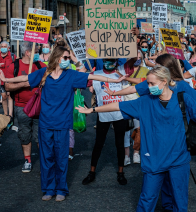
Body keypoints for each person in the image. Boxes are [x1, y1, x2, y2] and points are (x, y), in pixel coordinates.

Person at [76, 66, 196, 211]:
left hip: (178, 159)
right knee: (147, 199)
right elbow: (118, 105)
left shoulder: (182, 98)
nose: (148, 87)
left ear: (165, 82)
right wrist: (93, 110)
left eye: (152, 84)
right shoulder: (145, 102)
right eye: (148, 83)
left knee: (180, 201)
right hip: (153, 159)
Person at [0, 46, 125, 202]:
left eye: (68, 58)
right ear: (58, 58)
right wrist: (6, 80)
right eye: (66, 58)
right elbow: (25, 78)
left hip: (63, 125)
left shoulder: (71, 75)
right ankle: (48, 189)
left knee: (61, 158)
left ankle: (61, 189)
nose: (67, 61)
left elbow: (92, 77)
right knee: (46, 159)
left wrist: (114, 79)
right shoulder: (44, 73)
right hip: (45, 124)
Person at [81, 57, 137, 186]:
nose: (110, 63)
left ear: (117, 61)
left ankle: (121, 172)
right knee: (98, 144)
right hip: (103, 114)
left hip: (119, 114)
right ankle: (92, 172)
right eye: (107, 60)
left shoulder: (121, 71)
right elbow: (82, 81)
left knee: (120, 143)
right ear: (103, 61)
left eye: (112, 60)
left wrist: (134, 41)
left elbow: (133, 59)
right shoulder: (96, 74)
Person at [4, 41, 47, 173]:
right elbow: (7, 86)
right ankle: (27, 160)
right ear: (28, 52)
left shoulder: (40, 65)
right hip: (21, 107)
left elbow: (50, 79)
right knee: (24, 134)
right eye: (35, 52)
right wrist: (23, 84)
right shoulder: (14, 66)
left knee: (40, 135)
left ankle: (44, 162)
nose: (38, 54)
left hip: (39, 106)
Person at [0, 41, 14, 128]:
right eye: (2, 46)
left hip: (10, 80)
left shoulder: (12, 56)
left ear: (8, 47)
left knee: (10, 96)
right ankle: (5, 114)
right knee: (4, 96)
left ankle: (10, 115)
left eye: (5, 46)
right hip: (1, 81)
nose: (3, 48)